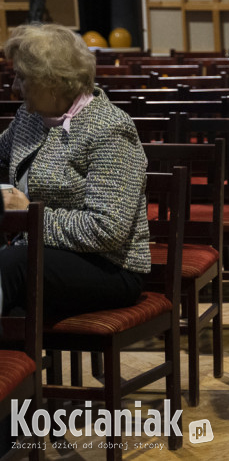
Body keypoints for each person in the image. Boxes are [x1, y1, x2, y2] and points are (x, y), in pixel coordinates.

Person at [0, 24, 149, 325]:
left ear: (52, 81)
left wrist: (29, 215)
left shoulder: (110, 128)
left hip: (110, 267)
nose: (15, 86)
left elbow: (108, 229)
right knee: (16, 307)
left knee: (15, 265)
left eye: (23, 77)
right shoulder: (29, 117)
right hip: (43, 255)